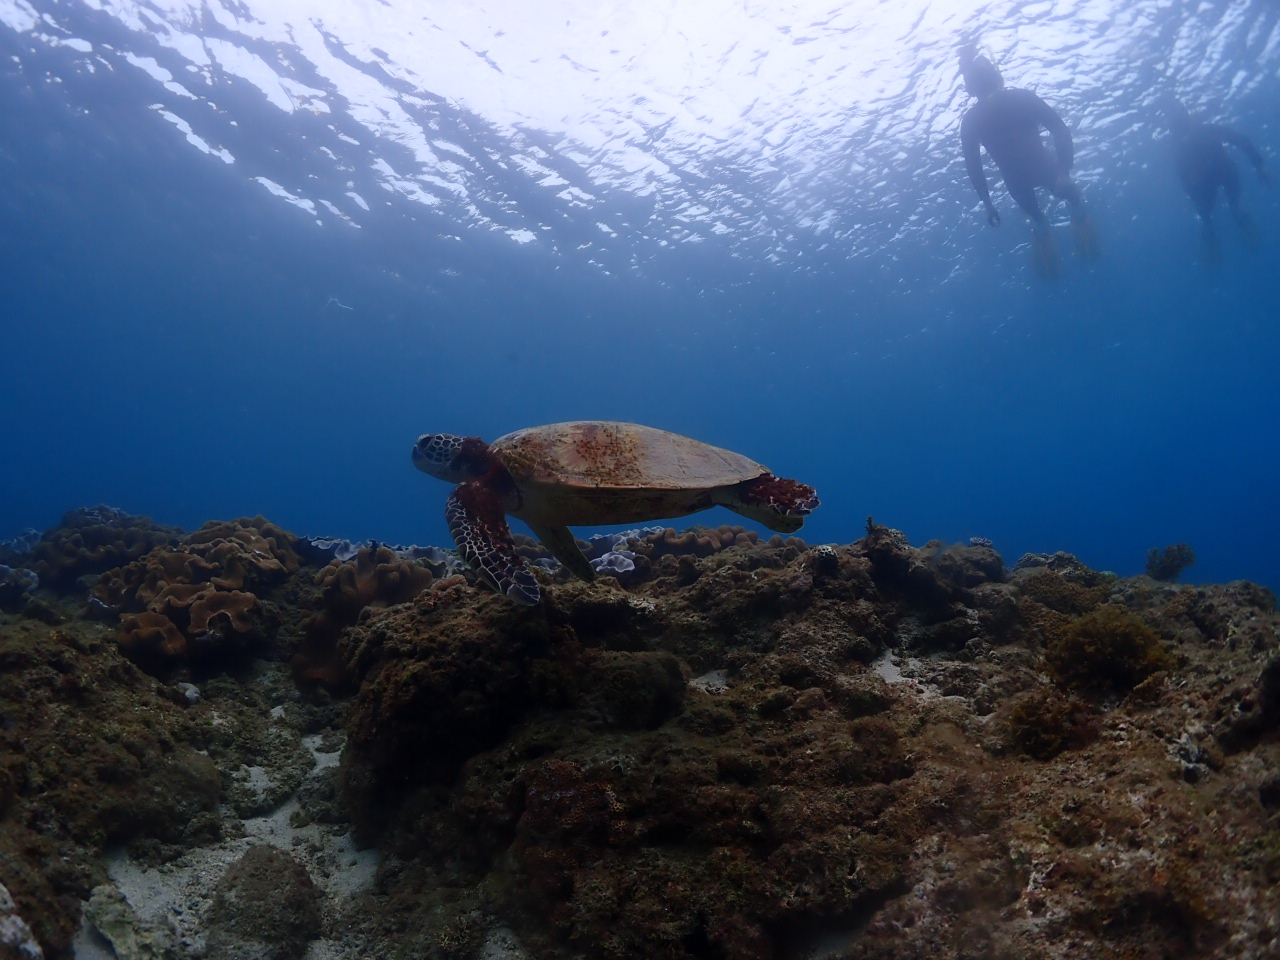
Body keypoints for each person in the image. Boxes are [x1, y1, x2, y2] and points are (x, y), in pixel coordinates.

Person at [959, 48, 1099, 278]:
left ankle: (1047, 225)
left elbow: (973, 166)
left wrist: (987, 203)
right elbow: (1059, 129)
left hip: (1018, 179)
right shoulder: (1020, 98)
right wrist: (1063, 171)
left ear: (971, 89)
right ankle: (1071, 215)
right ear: (996, 77)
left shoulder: (972, 120)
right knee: (1069, 199)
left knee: (1040, 217)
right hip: (1044, 168)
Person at [1165, 99, 1271, 264]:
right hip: (1221, 176)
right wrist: (1259, 166)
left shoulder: (1189, 142)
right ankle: (1222, 221)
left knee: (1214, 213)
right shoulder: (1199, 135)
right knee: (1225, 208)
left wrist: (1259, 166)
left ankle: (1213, 226)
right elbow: (1241, 140)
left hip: (1217, 178)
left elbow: (1184, 178)